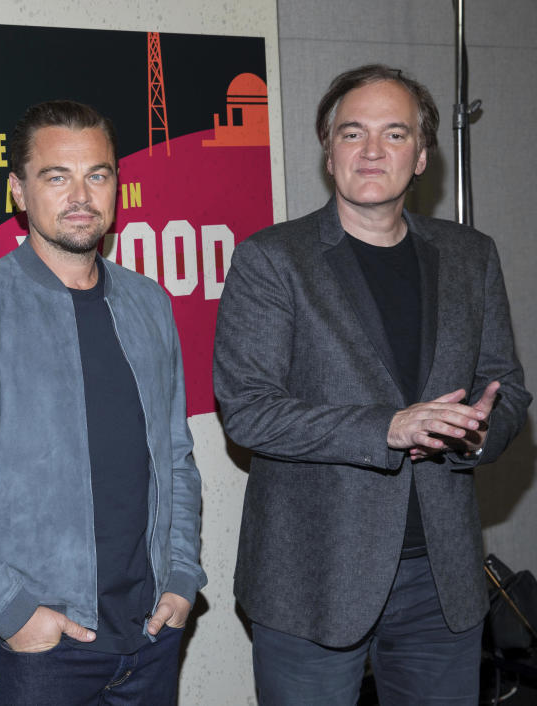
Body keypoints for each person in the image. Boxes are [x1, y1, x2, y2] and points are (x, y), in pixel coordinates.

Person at [212, 65, 531, 704]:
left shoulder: (472, 256)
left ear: (421, 156)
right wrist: (389, 428)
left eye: (394, 134)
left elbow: (508, 389)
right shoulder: (272, 258)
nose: (372, 151)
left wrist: (474, 432)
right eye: (352, 133)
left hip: (441, 581)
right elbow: (248, 409)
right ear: (329, 152)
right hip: (312, 578)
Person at [0, 100, 206, 705]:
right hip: (45, 651)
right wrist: (12, 613)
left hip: (152, 634)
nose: (81, 196)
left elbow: (176, 456)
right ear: (18, 191)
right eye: (56, 176)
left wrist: (181, 578)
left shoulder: (149, 304)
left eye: (97, 174)